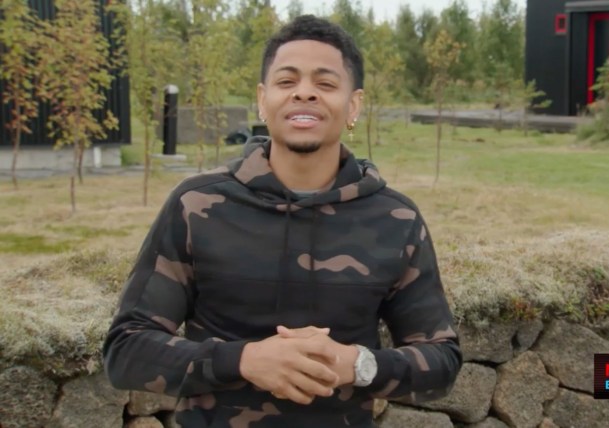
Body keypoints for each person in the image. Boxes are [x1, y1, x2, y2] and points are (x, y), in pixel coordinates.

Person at [103, 14, 462, 428]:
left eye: (325, 83)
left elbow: (442, 361)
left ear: (354, 105)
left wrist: (357, 365)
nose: (304, 93)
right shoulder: (197, 205)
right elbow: (126, 351)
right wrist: (244, 360)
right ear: (263, 99)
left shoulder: (395, 219)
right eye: (287, 80)